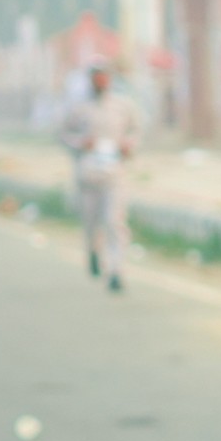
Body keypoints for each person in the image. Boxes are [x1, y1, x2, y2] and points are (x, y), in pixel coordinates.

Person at [58, 64, 142, 291]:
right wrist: (80, 143)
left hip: (114, 173)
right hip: (88, 173)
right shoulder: (79, 108)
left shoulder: (123, 106)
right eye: (97, 78)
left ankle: (116, 270)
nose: (101, 82)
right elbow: (63, 134)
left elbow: (135, 131)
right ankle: (93, 253)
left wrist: (128, 146)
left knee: (114, 221)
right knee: (91, 221)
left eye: (104, 78)